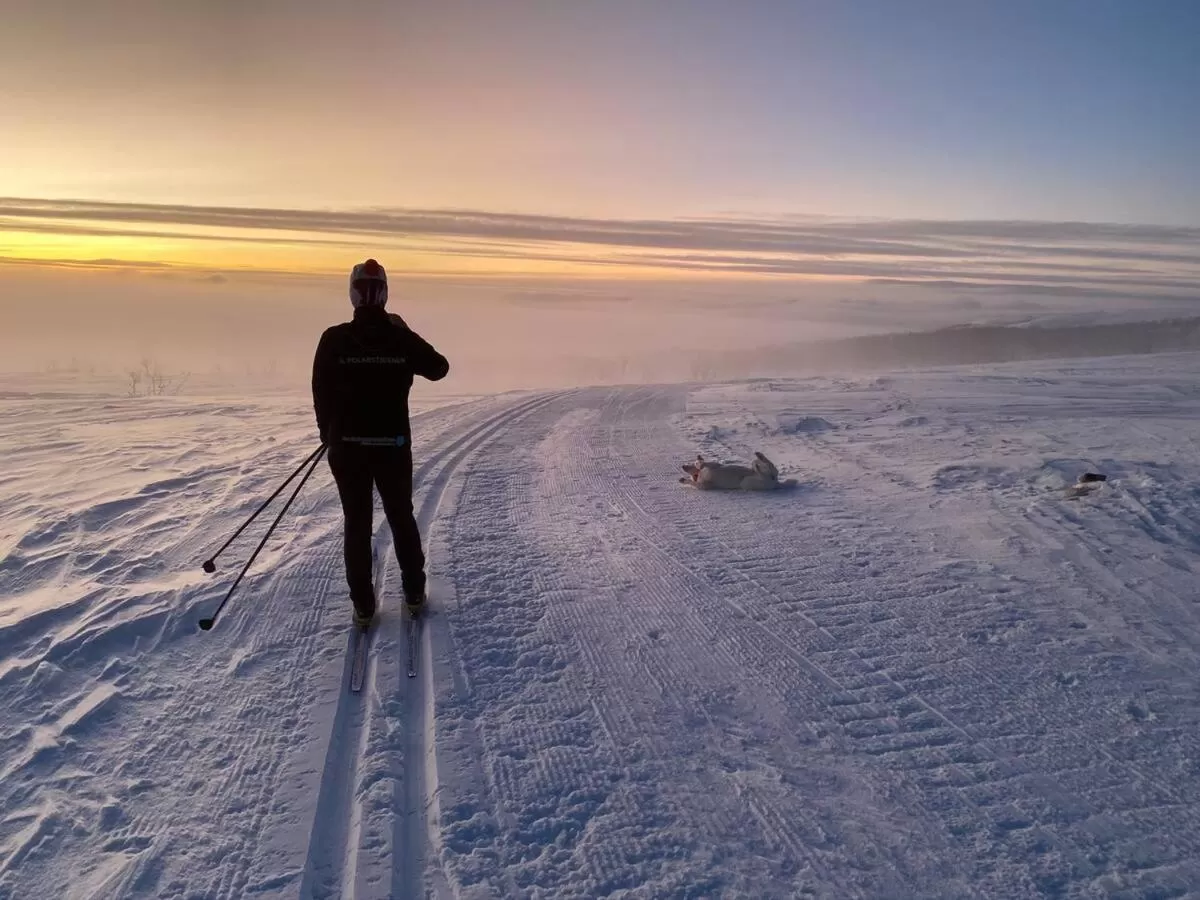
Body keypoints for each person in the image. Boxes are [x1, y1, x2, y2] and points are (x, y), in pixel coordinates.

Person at [312, 259, 449, 626]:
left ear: (353, 295)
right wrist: (405, 331)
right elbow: (438, 368)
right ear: (384, 294)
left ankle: (363, 605)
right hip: (392, 444)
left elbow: (321, 391)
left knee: (356, 521)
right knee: (400, 515)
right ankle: (414, 591)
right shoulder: (399, 337)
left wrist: (327, 434)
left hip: (347, 447)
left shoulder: (334, 338)